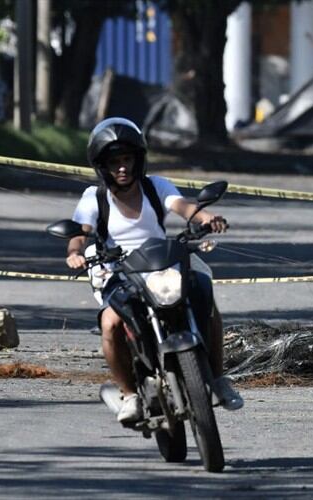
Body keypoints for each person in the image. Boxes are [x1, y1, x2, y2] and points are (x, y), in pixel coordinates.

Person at [65, 117, 240, 423]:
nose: (122, 167)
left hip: (162, 262)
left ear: (138, 159)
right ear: (102, 166)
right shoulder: (94, 198)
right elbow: (80, 231)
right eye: (115, 161)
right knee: (110, 324)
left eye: (127, 159)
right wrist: (76, 253)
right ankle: (129, 394)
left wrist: (206, 219)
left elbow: (184, 206)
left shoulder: (155, 186)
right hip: (118, 269)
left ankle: (218, 378)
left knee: (205, 296)